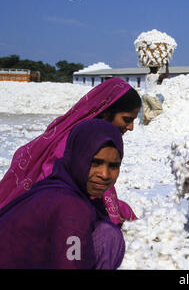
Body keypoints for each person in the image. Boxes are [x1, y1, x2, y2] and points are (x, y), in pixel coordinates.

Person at [0, 77, 141, 226]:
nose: (131, 127)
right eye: (127, 119)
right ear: (107, 112)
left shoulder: (97, 136)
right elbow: (52, 183)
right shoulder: (75, 141)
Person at [0, 119, 126, 269]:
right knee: (108, 236)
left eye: (113, 166)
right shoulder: (71, 207)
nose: (104, 174)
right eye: (95, 162)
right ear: (77, 158)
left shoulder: (53, 187)